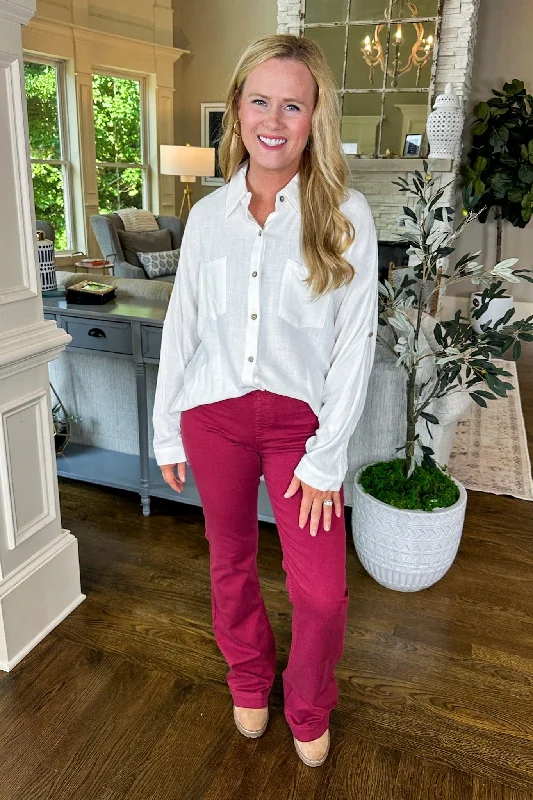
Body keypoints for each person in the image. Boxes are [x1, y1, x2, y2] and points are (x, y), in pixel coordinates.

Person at [152, 33, 379, 768]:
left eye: (292, 103)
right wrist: (166, 433)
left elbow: (355, 346)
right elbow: (182, 325)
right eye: (259, 100)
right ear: (237, 111)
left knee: (319, 594)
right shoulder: (208, 219)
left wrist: (325, 457)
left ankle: (307, 699)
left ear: (315, 117)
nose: (273, 119)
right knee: (231, 562)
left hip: (300, 434)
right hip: (212, 418)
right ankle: (247, 676)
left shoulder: (345, 214)